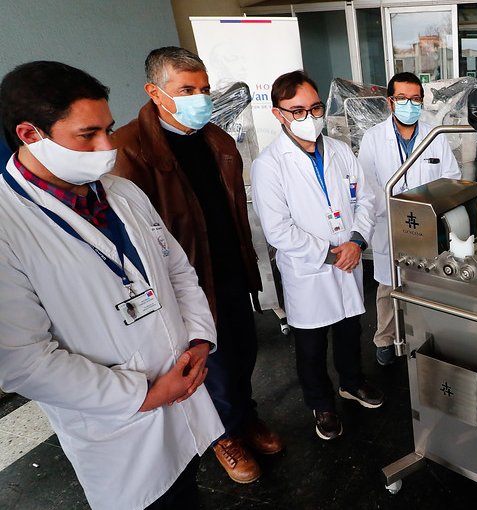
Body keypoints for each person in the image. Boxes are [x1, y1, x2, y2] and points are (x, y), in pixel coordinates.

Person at [0, 61, 223, 510]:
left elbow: (178, 271)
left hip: (184, 389)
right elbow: (21, 360)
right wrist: (144, 395)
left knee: (187, 490)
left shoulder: (122, 194)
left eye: (108, 128)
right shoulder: (8, 225)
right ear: (29, 134)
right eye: (88, 135)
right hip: (120, 426)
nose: (107, 146)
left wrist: (199, 338)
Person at [111, 47, 282, 484]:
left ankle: (244, 418)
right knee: (210, 361)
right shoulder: (130, 150)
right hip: (184, 281)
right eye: (186, 89)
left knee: (243, 352)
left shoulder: (215, 139)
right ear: (155, 92)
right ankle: (221, 436)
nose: (200, 98)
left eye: (204, 89)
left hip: (229, 267)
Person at [251, 70, 383, 441]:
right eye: (297, 111)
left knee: (349, 329)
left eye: (315, 108)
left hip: (349, 257)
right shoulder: (269, 165)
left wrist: (356, 241)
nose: (309, 117)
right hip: (310, 269)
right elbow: (278, 229)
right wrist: (330, 255)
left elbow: (366, 199)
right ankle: (321, 403)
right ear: (278, 114)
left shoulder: (340, 151)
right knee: (310, 344)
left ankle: (352, 383)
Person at [357, 72, 460, 366]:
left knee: (426, 284)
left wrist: (426, 205)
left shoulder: (434, 136)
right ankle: (385, 338)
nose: (409, 104)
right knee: (389, 287)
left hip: (426, 225)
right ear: (390, 102)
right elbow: (367, 184)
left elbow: (451, 177)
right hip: (389, 222)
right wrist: (396, 206)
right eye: (402, 98)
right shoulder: (373, 138)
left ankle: (424, 336)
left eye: (415, 99)